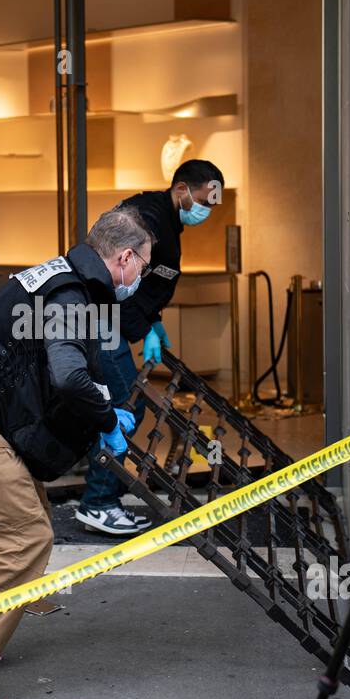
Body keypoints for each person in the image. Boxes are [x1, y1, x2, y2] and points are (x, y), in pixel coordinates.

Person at [0, 206, 156, 699]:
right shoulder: (73, 294)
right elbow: (68, 377)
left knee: (20, 525)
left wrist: (100, 407)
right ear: (125, 257)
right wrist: (105, 414)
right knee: (26, 537)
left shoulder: (66, 276)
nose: (140, 279)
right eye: (142, 268)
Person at [75, 158, 224, 536]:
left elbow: (150, 282)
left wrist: (153, 320)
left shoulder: (167, 223)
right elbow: (118, 274)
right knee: (127, 405)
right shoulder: (146, 218)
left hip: (112, 323)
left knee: (119, 405)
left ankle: (102, 497)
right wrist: (142, 323)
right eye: (205, 200)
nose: (208, 210)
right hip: (102, 321)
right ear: (181, 190)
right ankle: (98, 502)